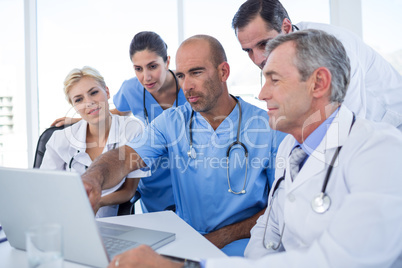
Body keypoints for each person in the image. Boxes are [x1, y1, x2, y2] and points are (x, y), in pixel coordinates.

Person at [105, 29, 402, 268]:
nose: (261, 93)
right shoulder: (291, 150)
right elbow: (266, 239)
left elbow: (342, 258)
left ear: (319, 83)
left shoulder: (380, 150)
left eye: (274, 79)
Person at [82, 34, 286, 256]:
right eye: (180, 75)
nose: (186, 86)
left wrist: (221, 237)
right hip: (188, 241)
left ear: (223, 72)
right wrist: (94, 178)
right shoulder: (171, 122)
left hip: (247, 244)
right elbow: (124, 157)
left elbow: (281, 205)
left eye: (196, 72)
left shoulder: (269, 128)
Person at [52, 31, 186, 213]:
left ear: (167, 61)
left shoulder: (188, 87)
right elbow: (119, 111)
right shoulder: (132, 88)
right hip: (153, 179)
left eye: (152, 66)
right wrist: (80, 118)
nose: (146, 77)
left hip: (186, 174)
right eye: (138, 68)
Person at [232, 0, 402, 131]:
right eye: (248, 50)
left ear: (286, 27)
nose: (257, 59)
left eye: (264, 44)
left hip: (391, 126)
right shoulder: (281, 59)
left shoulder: (332, 47)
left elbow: (349, 124)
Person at [40, 66, 149, 218]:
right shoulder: (60, 139)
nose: (89, 102)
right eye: (79, 99)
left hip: (111, 220)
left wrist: (96, 203)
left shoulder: (132, 130)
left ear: (107, 92)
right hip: (68, 217)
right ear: (74, 106)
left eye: (94, 92)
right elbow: (47, 188)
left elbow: (129, 190)